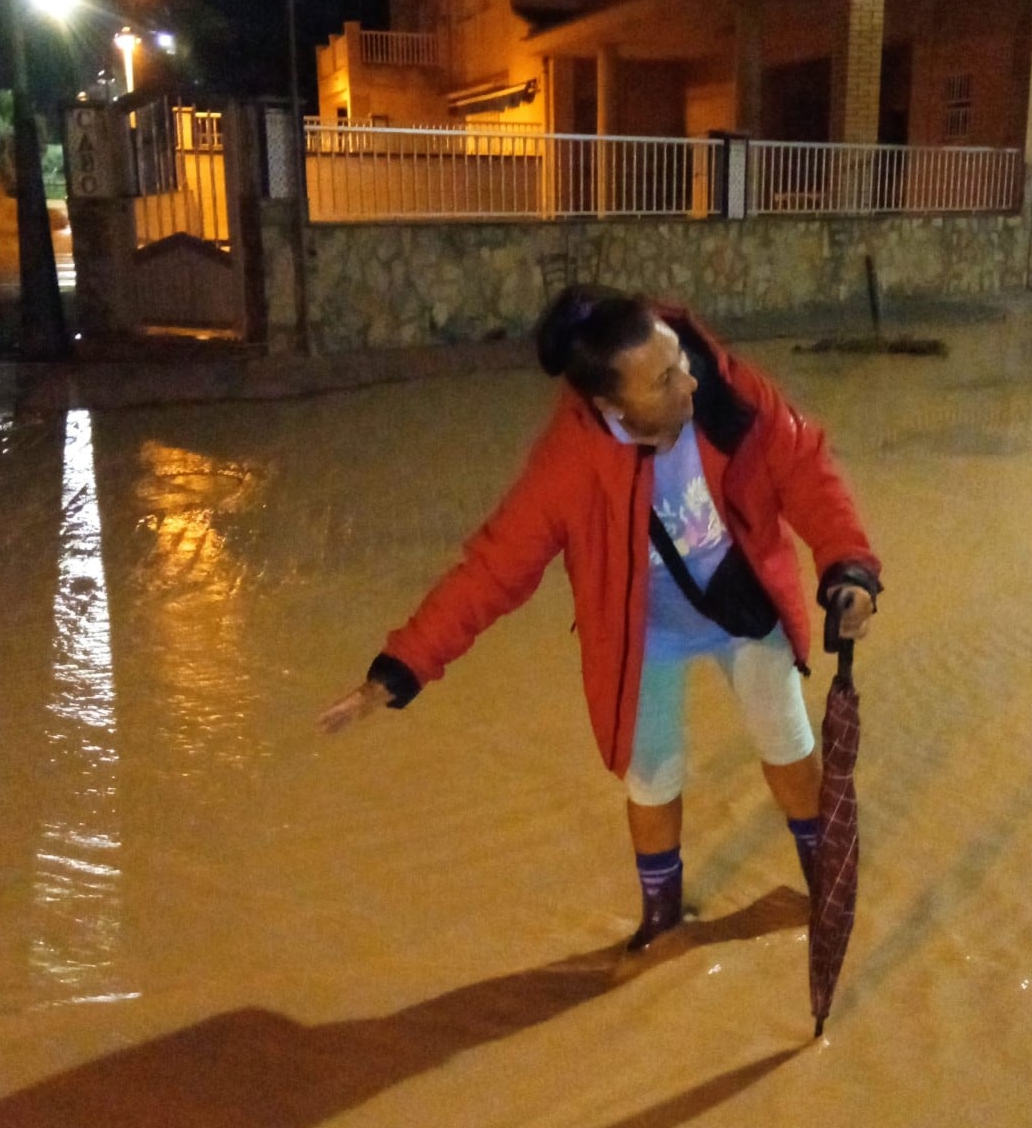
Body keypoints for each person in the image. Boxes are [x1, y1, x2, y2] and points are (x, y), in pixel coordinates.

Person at [317, 285, 882, 950]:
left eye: (681, 360)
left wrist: (847, 565)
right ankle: (662, 919)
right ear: (613, 406)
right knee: (652, 773)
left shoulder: (730, 393)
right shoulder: (570, 462)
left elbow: (806, 468)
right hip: (641, 627)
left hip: (742, 596)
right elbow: (494, 569)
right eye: (666, 379)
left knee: (787, 743)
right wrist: (400, 667)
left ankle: (827, 885)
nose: (691, 381)